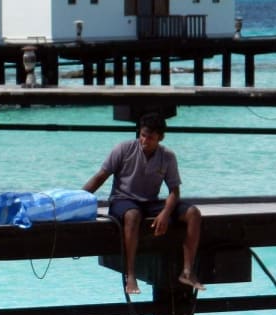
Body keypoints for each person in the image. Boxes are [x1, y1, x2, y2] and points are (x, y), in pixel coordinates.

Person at [83, 112, 205, 295]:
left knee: (193, 213)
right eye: (143, 135)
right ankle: (130, 274)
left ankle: (187, 272)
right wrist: (78, 199)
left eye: (150, 138)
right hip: (122, 200)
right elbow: (100, 176)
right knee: (133, 215)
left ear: (160, 138)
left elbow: (174, 191)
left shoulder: (167, 156)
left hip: (150, 202)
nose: (145, 141)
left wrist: (165, 213)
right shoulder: (123, 149)